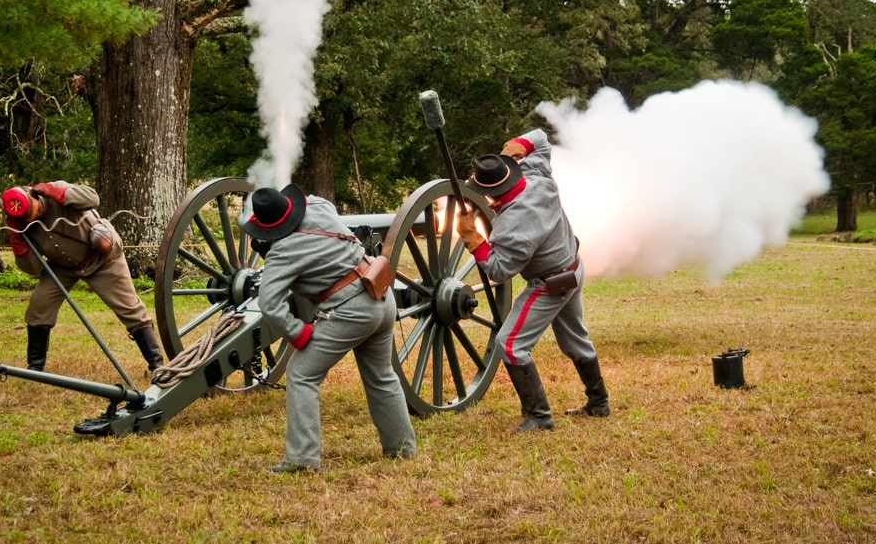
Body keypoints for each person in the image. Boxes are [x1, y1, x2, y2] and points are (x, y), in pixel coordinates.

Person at [242, 184, 417, 473]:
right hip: (380, 293)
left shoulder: (283, 251)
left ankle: (302, 460)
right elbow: (309, 198)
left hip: (350, 311)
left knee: (301, 374)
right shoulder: (320, 207)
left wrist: (298, 332)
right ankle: (402, 450)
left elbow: (270, 303)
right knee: (382, 376)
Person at [457, 129, 610, 432]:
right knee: (574, 340)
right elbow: (540, 138)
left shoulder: (516, 222)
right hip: (572, 267)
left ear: (492, 194)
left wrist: (472, 237)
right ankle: (599, 402)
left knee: (510, 344)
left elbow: (499, 270)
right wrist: (518, 147)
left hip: (550, 283)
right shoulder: (535, 173)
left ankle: (539, 417)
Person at [2, 180, 164, 373]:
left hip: (102, 258)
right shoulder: (21, 225)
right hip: (62, 267)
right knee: (39, 304)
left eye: (32, 212)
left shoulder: (54, 191)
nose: (32, 218)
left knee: (130, 309)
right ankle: (35, 367)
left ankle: (157, 366)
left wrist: (56, 192)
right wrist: (18, 243)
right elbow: (33, 269)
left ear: (34, 196)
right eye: (26, 218)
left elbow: (92, 198)